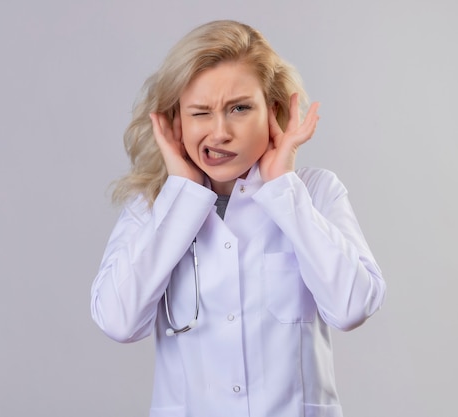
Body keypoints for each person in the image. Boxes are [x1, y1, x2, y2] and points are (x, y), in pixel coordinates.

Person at [91, 20, 386, 417]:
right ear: (176, 124)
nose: (220, 132)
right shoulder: (153, 207)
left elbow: (352, 306)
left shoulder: (314, 192)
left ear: (274, 111)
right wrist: (181, 196)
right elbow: (118, 321)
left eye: (240, 108)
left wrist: (282, 188)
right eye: (200, 113)